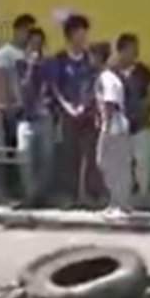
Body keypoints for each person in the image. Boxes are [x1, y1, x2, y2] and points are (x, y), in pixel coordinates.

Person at [48, 14, 99, 206]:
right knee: (69, 156)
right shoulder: (59, 60)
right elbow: (55, 87)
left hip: (88, 113)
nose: (83, 37)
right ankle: (69, 197)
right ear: (70, 35)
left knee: (91, 155)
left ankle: (90, 196)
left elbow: (94, 82)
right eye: (79, 33)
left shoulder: (90, 59)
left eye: (85, 33)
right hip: (67, 115)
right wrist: (68, 106)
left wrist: (85, 104)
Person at [114, 33, 150, 202]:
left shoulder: (142, 71)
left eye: (135, 50)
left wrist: (147, 102)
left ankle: (143, 197)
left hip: (141, 124)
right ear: (120, 51)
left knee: (143, 162)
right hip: (120, 125)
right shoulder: (112, 72)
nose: (134, 54)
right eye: (130, 50)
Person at [16, 27, 55, 208]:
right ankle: (29, 195)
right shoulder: (20, 64)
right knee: (25, 157)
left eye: (39, 43)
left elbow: (52, 89)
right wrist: (31, 67)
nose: (36, 47)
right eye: (33, 42)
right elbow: (22, 88)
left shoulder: (48, 64)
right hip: (26, 117)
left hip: (44, 116)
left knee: (45, 159)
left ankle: (41, 196)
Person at [92, 42, 132, 217]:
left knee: (109, 164)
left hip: (113, 127)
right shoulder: (111, 77)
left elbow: (109, 103)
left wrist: (106, 128)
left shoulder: (106, 78)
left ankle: (120, 204)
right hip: (117, 126)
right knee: (116, 166)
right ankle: (117, 203)